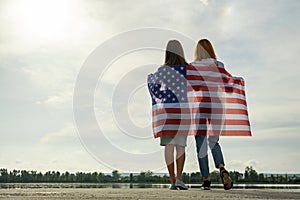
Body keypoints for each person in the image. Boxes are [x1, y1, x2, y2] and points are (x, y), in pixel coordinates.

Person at [191, 39, 233, 190]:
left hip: (202, 104)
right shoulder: (219, 65)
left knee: (200, 142)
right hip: (217, 105)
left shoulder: (194, 66)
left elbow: (193, 87)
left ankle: (206, 180)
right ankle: (221, 168)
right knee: (214, 141)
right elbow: (228, 87)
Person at [147, 40, 189, 190]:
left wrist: (150, 77)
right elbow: (198, 85)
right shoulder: (187, 70)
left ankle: (172, 181)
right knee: (181, 146)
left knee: (169, 146)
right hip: (182, 112)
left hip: (166, 112)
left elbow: (154, 86)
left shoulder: (162, 71)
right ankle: (179, 178)